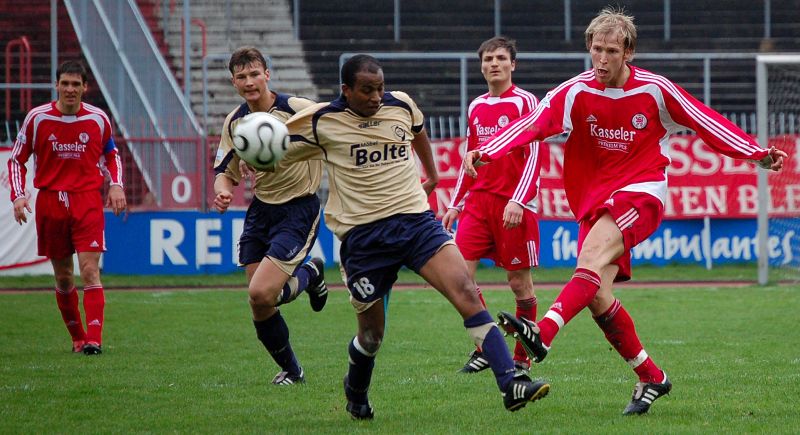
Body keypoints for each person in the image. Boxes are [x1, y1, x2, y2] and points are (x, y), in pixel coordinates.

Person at [464, 7, 788, 415]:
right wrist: (487, 151)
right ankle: (652, 376)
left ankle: (542, 334)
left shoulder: (655, 90)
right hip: (594, 203)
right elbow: (532, 124)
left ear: (628, 52)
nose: (602, 60)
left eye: (611, 51)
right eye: (596, 50)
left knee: (589, 259)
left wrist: (757, 153)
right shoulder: (574, 91)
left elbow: (706, 122)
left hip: (641, 192)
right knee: (597, 295)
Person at [280, 54, 549, 420]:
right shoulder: (322, 120)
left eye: (380, 88)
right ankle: (356, 393)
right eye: (366, 90)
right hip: (364, 238)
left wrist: (433, 175)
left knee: (466, 291)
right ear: (346, 90)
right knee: (371, 336)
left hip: (416, 223)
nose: (376, 97)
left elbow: (419, 130)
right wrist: (250, 160)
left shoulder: (401, 105)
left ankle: (510, 383)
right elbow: (277, 147)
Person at [212, 47, 328, 386]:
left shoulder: (298, 108)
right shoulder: (235, 122)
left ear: (267, 74)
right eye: (241, 77)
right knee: (259, 301)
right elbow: (224, 171)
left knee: (263, 293)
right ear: (233, 82)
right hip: (261, 212)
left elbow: (335, 126)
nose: (249, 82)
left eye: (254, 74)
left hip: (298, 209)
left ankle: (310, 272)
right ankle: (293, 371)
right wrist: (223, 190)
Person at [8, 60, 127, 355]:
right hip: (51, 201)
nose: (70, 89)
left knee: (90, 270)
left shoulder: (98, 119)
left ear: (85, 87)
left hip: (86, 199)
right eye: (65, 83)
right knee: (63, 276)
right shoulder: (38, 118)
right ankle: (77, 338)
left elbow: (112, 155)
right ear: (56, 85)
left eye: (76, 84)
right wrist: (18, 196)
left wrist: (116, 185)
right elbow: (16, 159)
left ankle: (94, 340)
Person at [442, 36, 542, 375]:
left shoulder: (526, 102)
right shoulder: (476, 106)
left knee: (519, 284)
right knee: (460, 278)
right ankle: (487, 347)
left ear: (513, 64)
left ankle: (521, 359)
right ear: (481, 66)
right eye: (488, 59)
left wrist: (519, 199)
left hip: (513, 204)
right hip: (478, 204)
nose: (494, 63)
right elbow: (469, 159)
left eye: (500, 58)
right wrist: (455, 203)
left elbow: (535, 155)